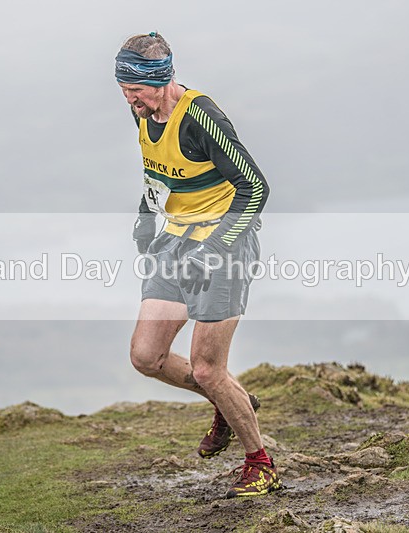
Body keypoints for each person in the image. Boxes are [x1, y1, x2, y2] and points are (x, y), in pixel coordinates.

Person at [116, 32, 279, 498]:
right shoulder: (142, 112)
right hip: (176, 240)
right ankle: (232, 402)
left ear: (160, 80)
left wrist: (219, 247)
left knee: (209, 369)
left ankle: (259, 461)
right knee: (147, 357)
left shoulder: (201, 118)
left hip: (225, 244)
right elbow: (154, 171)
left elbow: (255, 189)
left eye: (136, 91)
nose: (129, 100)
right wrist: (145, 223)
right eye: (124, 91)